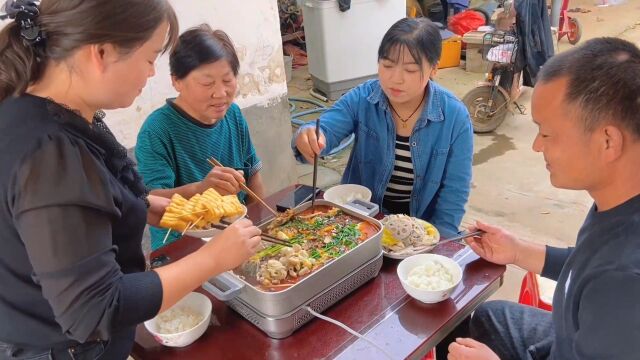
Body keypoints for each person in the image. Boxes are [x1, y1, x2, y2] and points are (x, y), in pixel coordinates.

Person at [0, 1, 262, 359]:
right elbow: (94, 309)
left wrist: (144, 205)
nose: (152, 74)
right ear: (102, 53)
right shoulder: (49, 153)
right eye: (151, 57)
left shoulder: (53, 111)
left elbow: (86, 201)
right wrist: (212, 259)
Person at [444, 38, 640, 360]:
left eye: (546, 133)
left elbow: (606, 277)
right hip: (570, 332)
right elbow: (586, 265)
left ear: (608, 141)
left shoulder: (624, 288)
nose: (536, 146)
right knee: (489, 317)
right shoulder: (619, 196)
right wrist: (517, 251)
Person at [293, 17, 473, 237]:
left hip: (420, 227)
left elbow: (454, 192)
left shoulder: (454, 116)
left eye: (410, 70)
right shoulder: (364, 97)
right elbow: (327, 128)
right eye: (387, 65)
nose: (395, 79)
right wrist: (310, 136)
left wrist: (440, 241)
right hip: (361, 219)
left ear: (433, 69)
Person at [136, 24, 265, 250]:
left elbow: (252, 175)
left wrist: (260, 223)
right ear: (176, 80)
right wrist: (201, 188)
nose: (220, 93)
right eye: (207, 83)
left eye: (227, 80)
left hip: (236, 235)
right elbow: (150, 201)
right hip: (183, 245)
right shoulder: (157, 130)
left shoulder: (232, 114)